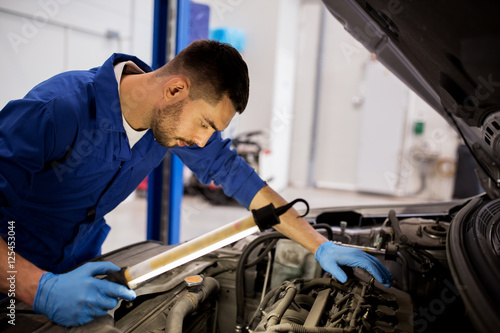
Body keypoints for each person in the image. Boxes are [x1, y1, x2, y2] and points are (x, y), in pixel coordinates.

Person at [0, 40, 392, 327]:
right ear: (175, 89)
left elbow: (241, 179)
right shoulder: (56, 110)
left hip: (79, 271)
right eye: (205, 124)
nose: (204, 141)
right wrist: (39, 289)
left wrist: (320, 245)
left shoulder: (164, 123)